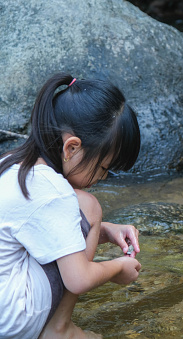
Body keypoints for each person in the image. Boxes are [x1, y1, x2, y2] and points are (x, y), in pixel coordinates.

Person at [0, 73, 142, 339]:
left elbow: (38, 229)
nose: (101, 178)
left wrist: (105, 231)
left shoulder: (12, 163)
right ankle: (60, 329)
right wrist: (117, 267)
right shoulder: (55, 192)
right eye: (103, 168)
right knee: (88, 206)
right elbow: (79, 278)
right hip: (10, 318)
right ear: (72, 147)